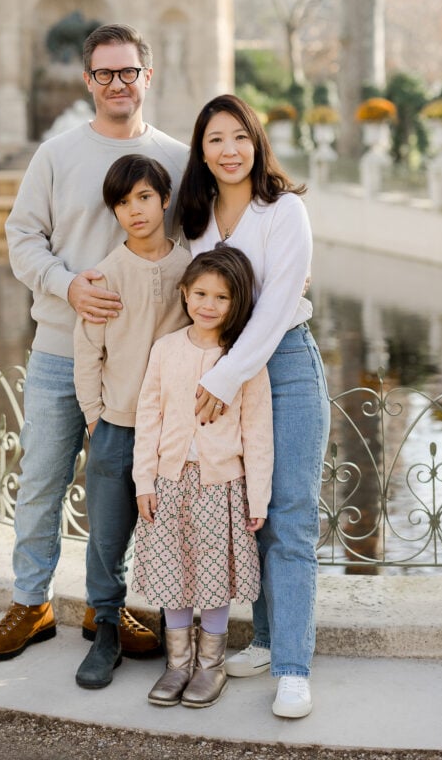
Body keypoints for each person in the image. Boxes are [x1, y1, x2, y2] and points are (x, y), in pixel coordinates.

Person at [0, 24, 188, 662]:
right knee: (41, 477)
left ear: (148, 77)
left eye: (128, 73)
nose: (117, 84)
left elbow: (203, 248)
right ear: (88, 81)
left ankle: (107, 610)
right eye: (104, 74)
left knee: (118, 489)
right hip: (61, 348)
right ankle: (30, 603)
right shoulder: (55, 155)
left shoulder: (178, 159)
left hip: (140, 363)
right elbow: (22, 238)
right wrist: (68, 287)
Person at [177, 94, 330, 720]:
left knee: (290, 515)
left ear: (257, 141)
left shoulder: (284, 210)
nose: (230, 150)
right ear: (202, 150)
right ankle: (265, 640)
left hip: (284, 368)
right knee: (249, 513)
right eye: (216, 140)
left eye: (240, 137)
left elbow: (273, 309)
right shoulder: (195, 219)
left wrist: (223, 380)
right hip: (221, 373)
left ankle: (293, 668)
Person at [132, 246, 273, 709]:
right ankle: (177, 664)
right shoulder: (166, 349)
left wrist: (258, 496)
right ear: (184, 293)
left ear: (238, 304)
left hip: (222, 486)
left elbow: (257, 430)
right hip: (169, 483)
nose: (209, 305)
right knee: (174, 575)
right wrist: (144, 482)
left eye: (222, 297)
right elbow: (148, 416)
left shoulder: (243, 359)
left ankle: (210, 665)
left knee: (212, 578)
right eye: (200, 293)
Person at [72, 154, 191, 689]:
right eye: (122, 202)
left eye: (144, 197)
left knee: (174, 531)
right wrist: (97, 421)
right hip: (117, 428)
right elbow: (87, 355)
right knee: (107, 536)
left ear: (164, 199)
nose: (134, 210)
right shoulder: (105, 275)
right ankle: (105, 632)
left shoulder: (192, 269)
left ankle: (176, 632)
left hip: (172, 429)